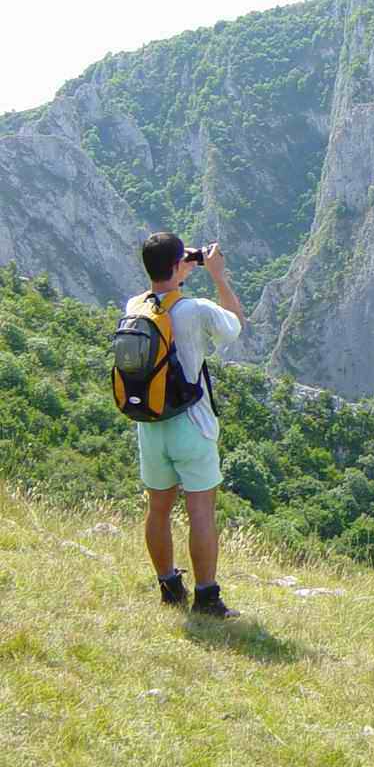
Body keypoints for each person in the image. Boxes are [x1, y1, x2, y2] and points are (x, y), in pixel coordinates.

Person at [133, 232, 245, 618]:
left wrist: (176, 274)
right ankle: (207, 598)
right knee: (200, 511)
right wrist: (218, 276)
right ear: (177, 265)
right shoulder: (195, 310)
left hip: (150, 424)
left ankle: (169, 587)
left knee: (158, 509)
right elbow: (236, 325)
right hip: (192, 425)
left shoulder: (134, 306)